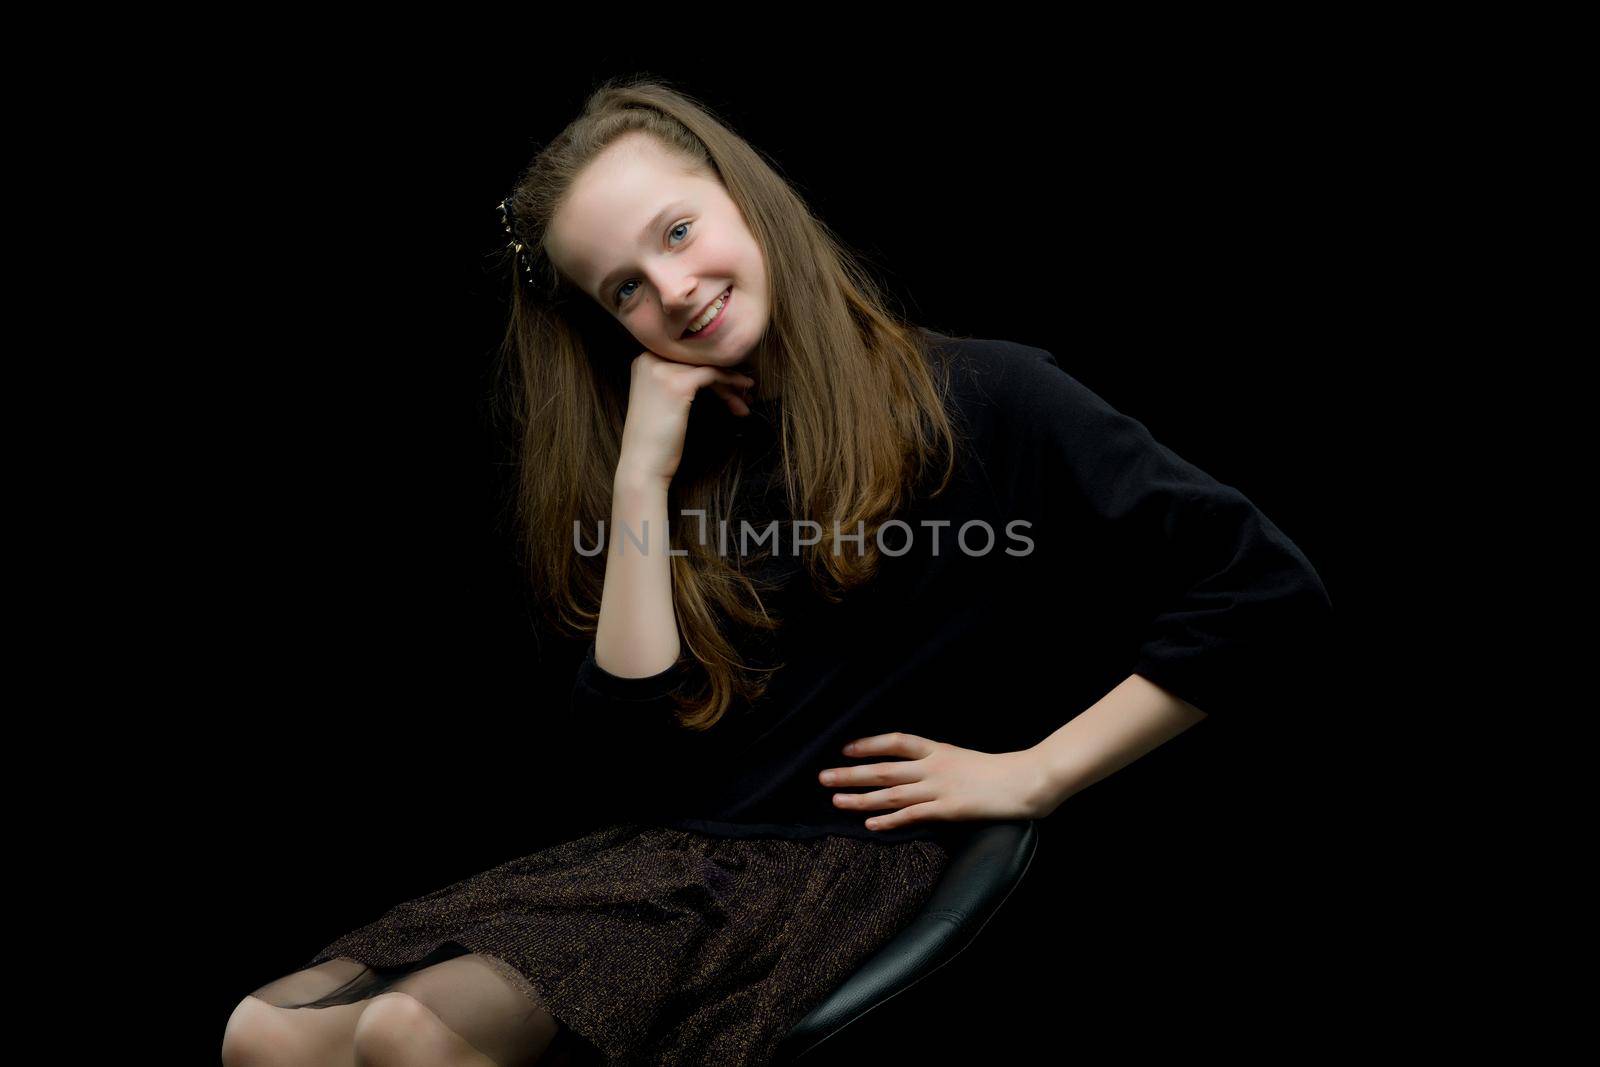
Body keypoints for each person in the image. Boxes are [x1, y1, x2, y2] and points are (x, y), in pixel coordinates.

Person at [221, 76, 1333, 1067]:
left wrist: (1036, 771)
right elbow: (626, 750)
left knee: (412, 1029)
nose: (673, 288)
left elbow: (1262, 589)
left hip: (838, 869)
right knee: (265, 1028)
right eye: (624, 289)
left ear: (744, 198)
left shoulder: (987, 393)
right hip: (676, 863)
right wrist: (642, 476)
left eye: (678, 230)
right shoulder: (680, 460)